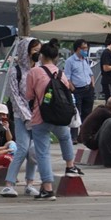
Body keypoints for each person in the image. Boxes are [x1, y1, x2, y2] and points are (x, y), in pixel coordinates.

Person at [25, 40, 85, 201]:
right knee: (65, 137)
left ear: (41, 56)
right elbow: (68, 90)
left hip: (40, 116)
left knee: (43, 153)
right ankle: (70, 166)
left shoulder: (34, 72)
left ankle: (48, 189)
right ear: (56, 56)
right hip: (60, 117)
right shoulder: (60, 73)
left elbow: (29, 96)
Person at [0, 37, 42, 198]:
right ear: (25, 51)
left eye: (39, 49)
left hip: (37, 115)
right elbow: (15, 97)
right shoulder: (14, 72)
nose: (37, 53)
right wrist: (26, 116)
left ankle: (30, 183)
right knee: (23, 148)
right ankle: (9, 184)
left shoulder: (39, 70)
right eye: (34, 49)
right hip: (21, 116)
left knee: (34, 151)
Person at [65, 39, 95, 143]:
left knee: (87, 114)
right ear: (78, 49)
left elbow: (90, 74)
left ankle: (83, 135)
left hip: (88, 89)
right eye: (84, 48)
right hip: (77, 90)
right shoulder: (70, 61)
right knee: (76, 113)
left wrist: (92, 85)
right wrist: (73, 89)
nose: (85, 50)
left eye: (86, 48)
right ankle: (73, 137)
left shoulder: (85, 60)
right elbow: (67, 77)